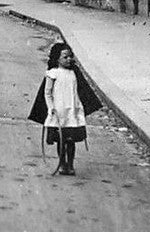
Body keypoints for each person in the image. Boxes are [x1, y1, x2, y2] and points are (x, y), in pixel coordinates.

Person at [27, 43, 102, 175]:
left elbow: (79, 91)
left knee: (71, 140)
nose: (69, 59)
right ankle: (62, 163)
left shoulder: (74, 73)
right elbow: (47, 93)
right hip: (59, 112)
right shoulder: (53, 74)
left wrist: (80, 107)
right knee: (61, 140)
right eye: (65, 57)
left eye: (70, 57)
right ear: (57, 58)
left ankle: (71, 165)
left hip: (72, 111)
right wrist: (51, 108)